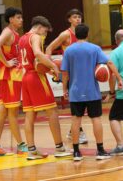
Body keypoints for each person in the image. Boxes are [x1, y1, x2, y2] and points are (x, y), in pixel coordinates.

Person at [61, 23, 123, 161]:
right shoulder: (94, 48)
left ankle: (76, 152)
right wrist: (119, 79)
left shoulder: (69, 51)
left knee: (76, 120)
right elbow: (110, 64)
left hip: (75, 91)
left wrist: (65, 89)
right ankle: (100, 150)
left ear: (75, 34)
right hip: (92, 92)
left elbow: (64, 73)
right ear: (87, 34)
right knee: (96, 119)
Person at [19, 16, 72, 160]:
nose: (45, 35)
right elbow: (37, 53)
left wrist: (49, 69)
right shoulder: (35, 36)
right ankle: (60, 148)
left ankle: (31, 150)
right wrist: (53, 66)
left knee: (30, 115)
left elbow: (35, 62)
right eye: (45, 32)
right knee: (52, 111)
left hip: (26, 77)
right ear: (40, 27)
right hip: (36, 78)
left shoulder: (22, 38)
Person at [45, 9, 88, 144]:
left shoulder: (83, 33)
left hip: (82, 73)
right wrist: (51, 65)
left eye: (79, 17)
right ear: (69, 19)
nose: (78, 19)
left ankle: (72, 131)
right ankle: (78, 131)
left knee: (82, 103)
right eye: (75, 17)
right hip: (70, 74)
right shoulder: (65, 35)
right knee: (76, 103)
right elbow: (49, 48)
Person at [0, 7, 27, 156]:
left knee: (2, 112)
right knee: (12, 113)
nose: (21, 20)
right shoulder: (8, 32)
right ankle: (21, 145)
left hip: (11, 77)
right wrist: (5, 62)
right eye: (18, 17)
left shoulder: (15, 34)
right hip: (9, 77)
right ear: (11, 19)